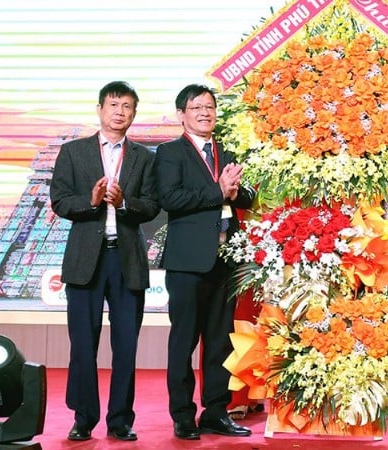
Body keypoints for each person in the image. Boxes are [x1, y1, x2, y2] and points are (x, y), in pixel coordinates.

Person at [50, 80, 160, 442]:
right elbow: (60, 202)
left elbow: (152, 206)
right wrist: (93, 201)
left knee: (126, 345)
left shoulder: (145, 157)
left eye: (127, 106)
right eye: (114, 105)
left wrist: (124, 203)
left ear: (133, 113)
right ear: (100, 109)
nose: (120, 112)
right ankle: (83, 417)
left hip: (125, 260)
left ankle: (120, 420)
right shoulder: (73, 152)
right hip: (85, 261)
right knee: (83, 343)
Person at [155, 83, 256, 440]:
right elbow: (170, 197)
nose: (205, 112)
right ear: (182, 114)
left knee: (220, 341)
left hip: (227, 259)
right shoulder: (169, 153)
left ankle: (216, 411)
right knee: (184, 341)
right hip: (187, 262)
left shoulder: (226, 150)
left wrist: (236, 190)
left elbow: (249, 194)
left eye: (210, 106)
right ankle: (183, 415)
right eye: (196, 107)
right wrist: (218, 191)